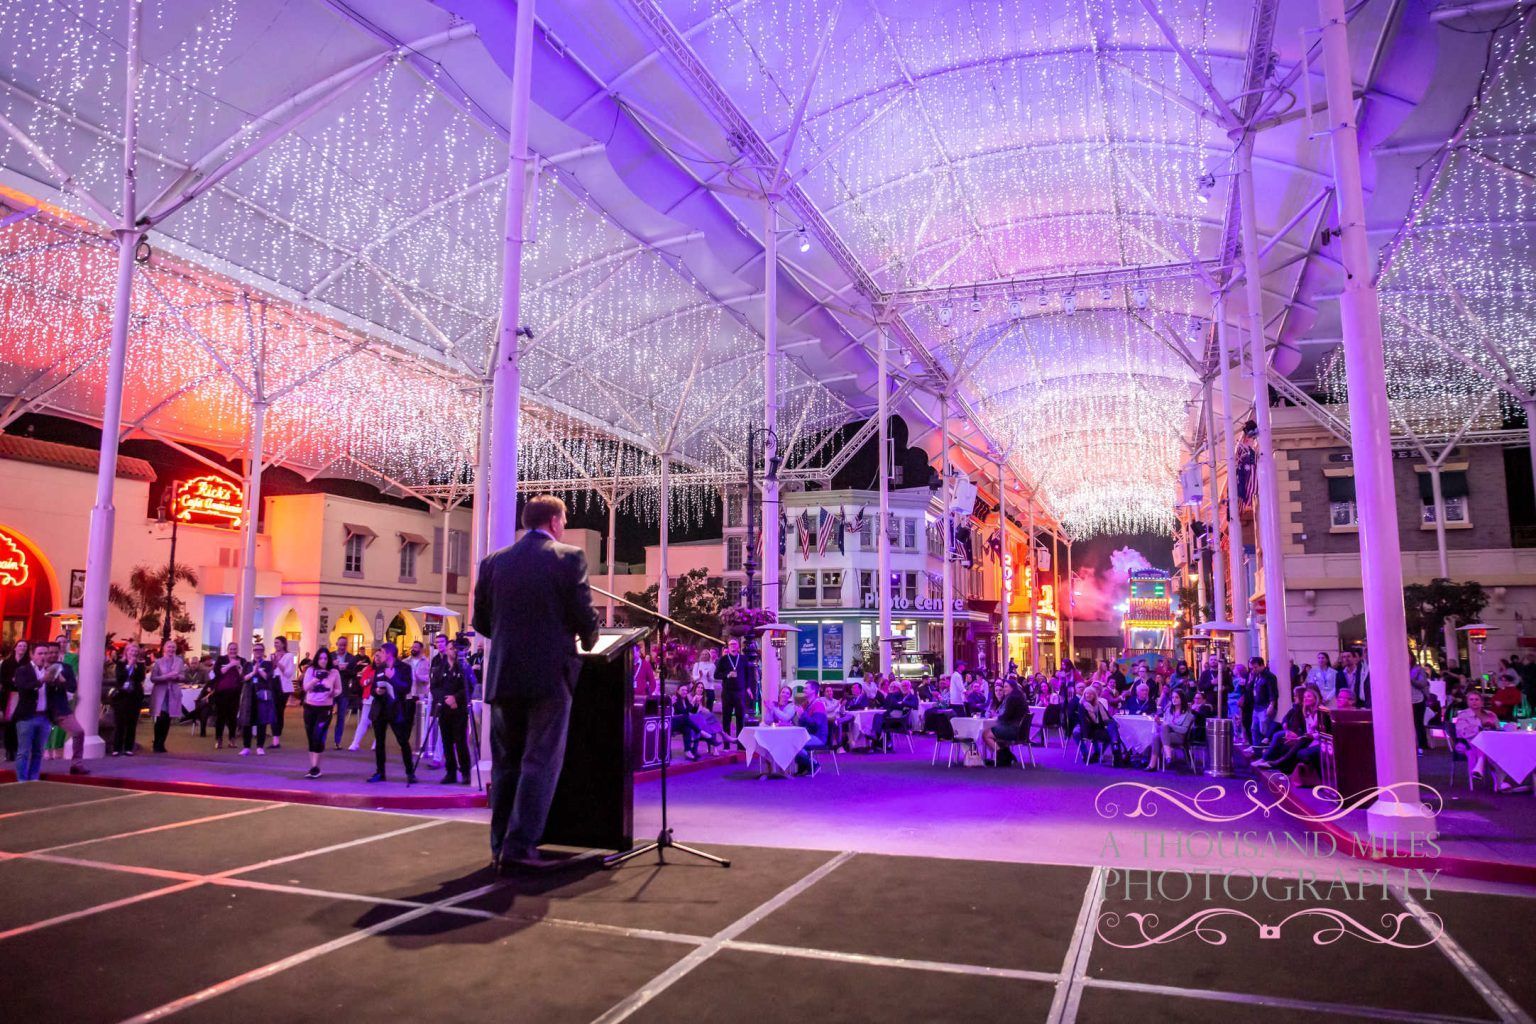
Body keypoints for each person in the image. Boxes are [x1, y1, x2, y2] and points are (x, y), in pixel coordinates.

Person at [473, 494, 600, 873]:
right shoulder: (568, 556)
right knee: (539, 761)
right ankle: (520, 846)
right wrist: (590, 639)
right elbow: (583, 613)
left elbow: (482, 622)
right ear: (556, 521)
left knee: (506, 764)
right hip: (549, 676)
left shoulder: (493, 562)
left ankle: (500, 846)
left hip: (504, 675)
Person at [366, 643, 417, 784]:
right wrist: (377, 691)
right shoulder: (380, 667)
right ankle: (380, 772)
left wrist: (393, 677)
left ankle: (410, 772)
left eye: (381, 652)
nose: (379, 655)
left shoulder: (404, 668)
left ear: (389, 653)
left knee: (402, 741)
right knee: (379, 743)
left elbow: (406, 688)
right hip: (380, 709)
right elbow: (372, 688)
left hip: (396, 709)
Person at [429, 632, 472, 785]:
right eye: (451, 648)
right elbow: (434, 686)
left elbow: (469, 686)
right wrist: (445, 700)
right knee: (446, 742)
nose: (453, 651)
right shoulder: (439, 667)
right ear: (446, 650)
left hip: (459, 710)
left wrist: (456, 698)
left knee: (461, 742)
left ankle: (466, 772)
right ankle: (450, 772)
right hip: (444, 709)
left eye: (455, 648)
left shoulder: (464, 667)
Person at [41, 641, 89, 775]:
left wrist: (62, 680)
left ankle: (76, 764)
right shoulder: (38, 668)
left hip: (60, 708)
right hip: (40, 709)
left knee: (78, 732)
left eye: (55, 652)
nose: (52, 655)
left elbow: (72, 687)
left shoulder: (66, 668)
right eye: (50, 652)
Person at [5, 643, 50, 781]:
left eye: (45, 653)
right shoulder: (23, 670)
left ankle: (34, 778)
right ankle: (22, 781)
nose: (43, 656)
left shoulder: (50, 670)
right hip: (26, 717)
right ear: (32, 655)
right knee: (23, 752)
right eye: (40, 653)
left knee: (38, 752)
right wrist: (41, 680)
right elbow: (23, 688)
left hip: (44, 717)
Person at [299, 649, 341, 779]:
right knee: (311, 736)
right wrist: (316, 679)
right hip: (310, 706)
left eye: (325, 658)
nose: (323, 661)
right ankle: (314, 767)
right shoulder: (311, 671)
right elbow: (305, 688)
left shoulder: (334, 672)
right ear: (317, 659)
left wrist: (333, 693)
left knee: (319, 734)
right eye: (320, 658)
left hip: (325, 708)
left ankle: (315, 767)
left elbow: (339, 689)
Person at [238, 642, 279, 755]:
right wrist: (253, 673)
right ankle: (246, 747)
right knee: (247, 721)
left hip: (262, 695)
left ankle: (260, 747)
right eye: (256, 650)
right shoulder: (247, 664)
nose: (258, 652)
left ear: (263, 651)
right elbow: (243, 678)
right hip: (249, 695)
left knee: (262, 721)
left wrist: (259, 670)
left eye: (260, 650)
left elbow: (268, 677)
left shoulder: (268, 664)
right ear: (253, 651)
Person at [1453, 690, 1501, 784]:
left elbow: (1498, 730)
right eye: (1471, 699)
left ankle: (1479, 766)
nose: (1474, 702)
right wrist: (1479, 728)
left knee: (1495, 748)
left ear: (1482, 702)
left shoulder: (1490, 714)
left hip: (1490, 743)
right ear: (1467, 702)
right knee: (1482, 742)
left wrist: (1491, 727)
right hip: (1467, 743)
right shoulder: (1463, 715)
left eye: (1476, 699)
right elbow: (1462, 732)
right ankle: (1501, 782)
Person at [148, 639, 186, 753]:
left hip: (173, 692)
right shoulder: (158, 662)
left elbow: (183, 676)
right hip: (161, 692)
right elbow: (153, 678)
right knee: (161, 718)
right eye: (169, 647)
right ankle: (156, 743)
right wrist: (166, 677)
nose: (171, 649)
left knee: (168, 719)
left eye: (173, 647)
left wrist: (178, 677)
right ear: (164, 648)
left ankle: (162, 743)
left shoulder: (179, 661)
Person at [110, 643, 147, 756]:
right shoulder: (121, 664)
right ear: (127, 652)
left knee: (132, 723)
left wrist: (134, 667)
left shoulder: (140, 664)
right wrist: (128, 666)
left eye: (136, 652)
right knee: (120, 722)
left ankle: (128, 748)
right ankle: (117, 748)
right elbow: (120, 677)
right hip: (122, 696)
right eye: (132, 651)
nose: (134, 653)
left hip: (134, 696)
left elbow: (141, 678)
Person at [982, 677, 1031, 763]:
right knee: (996, 731)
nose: (1004, 689)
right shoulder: (1019, 696)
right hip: (1021, 730)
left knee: (986, 734)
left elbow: (1007, 716)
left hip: (1014, 730)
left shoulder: (1012, 698)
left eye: (1006, 687)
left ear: (1012, 687)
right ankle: (1008, 755)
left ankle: (1002, 757)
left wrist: (996, 717)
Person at [714, 638, 751, 743]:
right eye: (731, 644)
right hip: (727, 692)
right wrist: (726, 675)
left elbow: (748, 674)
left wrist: (748, 688)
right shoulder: (723, 659)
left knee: (740, 718)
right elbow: (716, 675)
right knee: (726, 718)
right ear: (728, 647)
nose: (733, 646)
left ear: (738, 646)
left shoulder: (743, 659)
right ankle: (726, 745)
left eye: (735, 644)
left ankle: (740, 744)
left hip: (740, 692)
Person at [1148, 689, 1195, 772]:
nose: (1174, 699)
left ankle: (1164, 758)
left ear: (1182, 699)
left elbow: (1184, 730)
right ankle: (1163, 760)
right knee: (1156, 736)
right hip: (1166, 735)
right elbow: (1163, 726)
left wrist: (1170, 725)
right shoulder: (1168, 711)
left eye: (1177, 697)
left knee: (1163, 730)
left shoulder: (1188, 714)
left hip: (1180, 737)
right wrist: (1159, 722)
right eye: (1173, 697)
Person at [210, 642, 244, 749]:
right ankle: (218, 739)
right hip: (221, 692)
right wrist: (230, 665)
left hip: (235, 693)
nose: (233, 651)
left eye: (235, 649)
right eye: (231, 649)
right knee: (221, 717)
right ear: (227, 649)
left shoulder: (242, 660)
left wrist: (238, 665)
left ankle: (232, 739)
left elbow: (243, 676)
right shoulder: (221, 659)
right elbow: (218, 672)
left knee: (232, 717)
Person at [331, 635, 363, 749]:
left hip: (344, 691)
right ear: (336, 644)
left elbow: (355, 674)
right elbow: (325, 670)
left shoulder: (351, 658)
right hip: (331, 690)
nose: (342, 647)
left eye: (344, 645)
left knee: (341, 717)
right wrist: (333, 666)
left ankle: (337, 742)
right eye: (340, 645)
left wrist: (345, 670)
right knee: (326, 715)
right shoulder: (330, 657)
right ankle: (321, 739)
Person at [792, 681, 830, 776]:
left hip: (819, 737)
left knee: (794, 743)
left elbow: (815, 725)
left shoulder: (818, 704)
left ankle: (814, 764)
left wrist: (803, 714)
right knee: (790, 741)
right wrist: (799, 716)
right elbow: (802, 724)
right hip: (809, 735)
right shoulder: (806, 704)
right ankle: (805, 767)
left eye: (806, 688)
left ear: (813, 691)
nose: (804, 690)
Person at [1, 639, 29, 762]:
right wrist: (12, 681)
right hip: (9, 696)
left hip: (23, 696)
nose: (22, 648)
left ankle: (19, 750)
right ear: (15, 648)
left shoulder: (28, 663)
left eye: (24, 646)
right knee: (9, 724)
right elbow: (1, 679)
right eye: (20, 645)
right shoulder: (7, 663)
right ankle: (9, 750)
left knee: (21, 724)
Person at [271, 636, 296, 749]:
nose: (276, 644)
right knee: (272, 711)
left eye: (278, 643)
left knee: (278, 711)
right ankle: (275, 738)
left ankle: (276, 737)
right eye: (275, 643)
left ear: (283, 644)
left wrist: (277, 662)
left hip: (282, 687)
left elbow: (288, 673)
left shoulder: (289, 656)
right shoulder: (272, 655)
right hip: (273, 684)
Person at [1409, 657, 1431, 753]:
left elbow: (1422, 684)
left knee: (1418, 723)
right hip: (1405, 700)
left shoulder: (1418, 670)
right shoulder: (1399, 669)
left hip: (1417, 699)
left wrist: (1411, 679)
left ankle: (1423, 744)